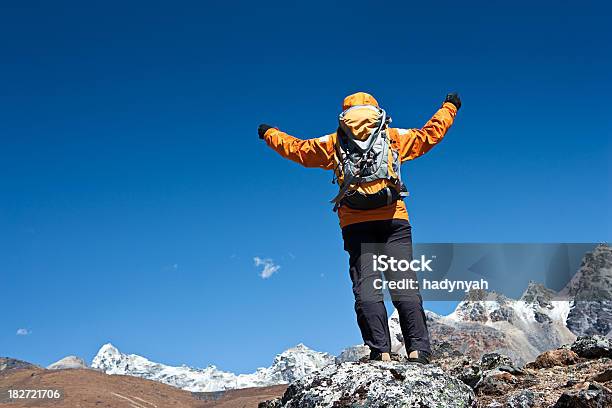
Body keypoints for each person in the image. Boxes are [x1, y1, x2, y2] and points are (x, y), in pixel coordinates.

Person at [258, 91, 460, 363]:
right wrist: (450, 106)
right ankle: (418, 350)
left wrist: (269, 133)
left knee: (367, 288)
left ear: (344, 113)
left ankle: (381, 352)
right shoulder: (392, 136)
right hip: (394, 219)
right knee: (404, 286)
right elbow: (429, 135)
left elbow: (297, 149)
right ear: (376, 111)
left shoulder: (334, 142)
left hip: (355, 223)